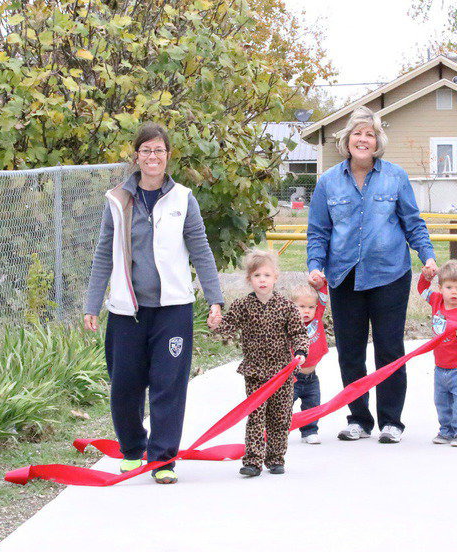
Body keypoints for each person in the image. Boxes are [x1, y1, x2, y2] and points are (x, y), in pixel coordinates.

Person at [83, 123, 224, 484]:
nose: (152, 157)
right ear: (136, 156)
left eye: (159, 150)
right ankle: (132, 450)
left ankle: (162, 459)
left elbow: (201, 250)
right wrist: (91, 303)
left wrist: (214, 298)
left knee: (168, 383)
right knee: (125, 384)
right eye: (146, 150)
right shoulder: (118, 200)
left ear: (168, 156)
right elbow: (103, 254)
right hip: (126, 311)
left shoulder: (183, 198)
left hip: (172, 310)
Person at [307, 105, 437, 444]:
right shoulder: (328, 182)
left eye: (369, 134)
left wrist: (428, 256)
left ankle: (391, 421)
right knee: (350, 351)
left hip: (390, 274)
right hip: (343, 276)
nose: (362, 139)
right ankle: (359, 420)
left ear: (378, 141)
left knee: (389, 348)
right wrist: (315, 266)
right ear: (347, 140)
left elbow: (413, 223)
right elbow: (318, 231)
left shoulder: (395, 176)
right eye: (357, 133)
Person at [211, 249, 309, 477]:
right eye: (257, 276)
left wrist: (301, 351)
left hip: (281, 373)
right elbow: (227, 327)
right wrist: (216, 323)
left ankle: (275, 458)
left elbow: (298, 333)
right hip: (255, 372)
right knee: (255, 416)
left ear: (275, 277)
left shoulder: (286, 307)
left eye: (266, 275)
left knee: (280, 416)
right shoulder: (243, 305)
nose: (262, 280)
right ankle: (253, 462)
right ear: (250, 279)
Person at [417, 260, 457, 447]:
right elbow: (422, 289)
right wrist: (426, 276)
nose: (454, 292)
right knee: (442, 403)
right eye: (449, 287)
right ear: (441, 288)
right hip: (440, 368)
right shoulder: (436, 301)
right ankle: (446, 431)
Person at [289, 282, 329, 444]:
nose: (307, 311)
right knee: (283, 408)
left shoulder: (317, 317)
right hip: (293, 379)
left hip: (312, 378)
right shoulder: (290, 325)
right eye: (302, 306)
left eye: (311, 307)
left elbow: (323, 298)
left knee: (312, 406)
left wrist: (321, 283)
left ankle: (309, 432)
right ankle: (276, 431)